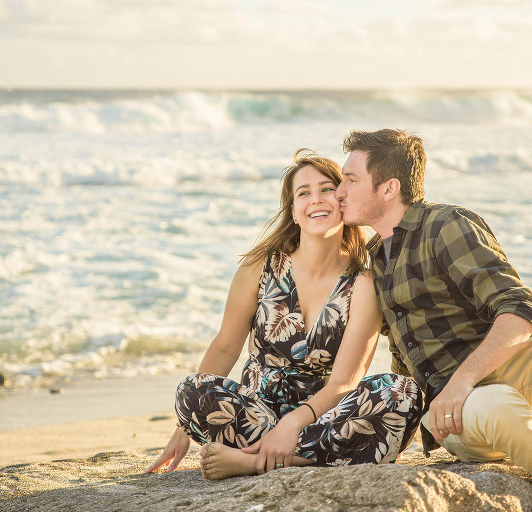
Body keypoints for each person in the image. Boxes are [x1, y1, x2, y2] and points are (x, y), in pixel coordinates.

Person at [334, 128, 532, 512]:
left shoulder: (444, 224)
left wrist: (462, 381)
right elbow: (402, 362)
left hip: (514, 369)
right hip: (463, 413)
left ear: (388, 188)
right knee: (496, 404)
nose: (340, 191)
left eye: (351, 180)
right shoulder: (374, 262)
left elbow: (518, 311)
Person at [146, 149, 423, 480]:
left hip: (323, 417)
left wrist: (293, 424)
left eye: (326, 190)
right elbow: (225, 347)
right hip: (256, 415)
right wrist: (183, 427)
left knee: (403, 393)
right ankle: (295, 457)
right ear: (293, 212)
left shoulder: (362, 284)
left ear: (343, 201)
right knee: (190, 389)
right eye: (303, 193)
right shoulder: (260, 267)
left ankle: (258, 462)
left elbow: (344, 382)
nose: (316, 200)